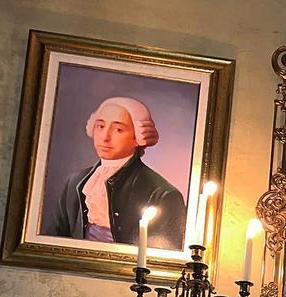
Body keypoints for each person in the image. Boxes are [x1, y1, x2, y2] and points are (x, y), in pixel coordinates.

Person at [44, 96, 186, 248]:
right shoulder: (76, 182)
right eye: (100, 126)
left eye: (118, 129)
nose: (105, 137)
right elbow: (54, 240)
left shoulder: (163, 195)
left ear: (138, 136)